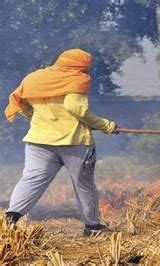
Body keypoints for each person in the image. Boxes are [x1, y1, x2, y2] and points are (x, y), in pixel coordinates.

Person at [4, 49, 117, 236]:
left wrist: (37, 117)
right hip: (74, 142)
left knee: (31, 180)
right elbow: (75, 108)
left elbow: (20, 103)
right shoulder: (78, 78)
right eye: (86, 67)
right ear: (80, 66)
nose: (87, 72)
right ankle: (92, 226)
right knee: (84, 184)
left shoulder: (34, 78)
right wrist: (106, 125)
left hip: (38, 140)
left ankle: (11, 217)